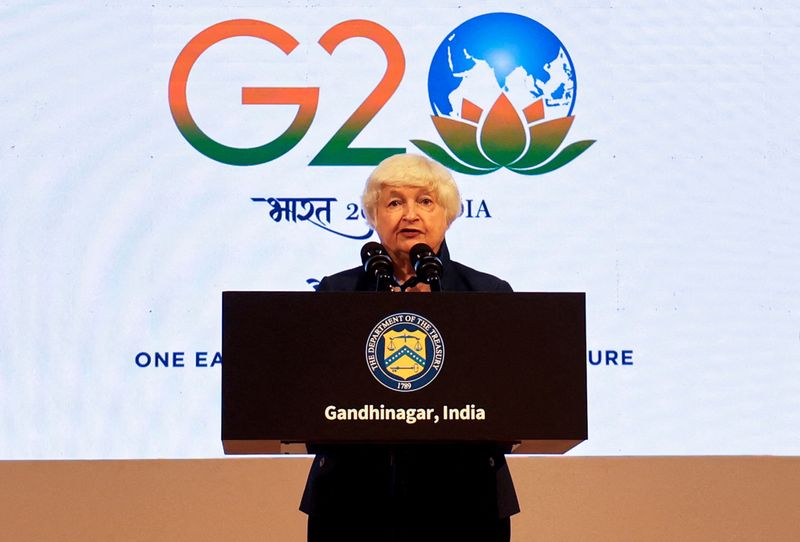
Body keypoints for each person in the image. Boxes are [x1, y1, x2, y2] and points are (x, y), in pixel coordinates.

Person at [300, 154, 519, 542]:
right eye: (394, 202)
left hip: (467, 500)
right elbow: (314, 395)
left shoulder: (487, 294)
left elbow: (508, 398)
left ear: (448, 216)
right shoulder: (336, 294)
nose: (410, 215)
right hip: (350, 500)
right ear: (373, 217)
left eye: (425, 201)